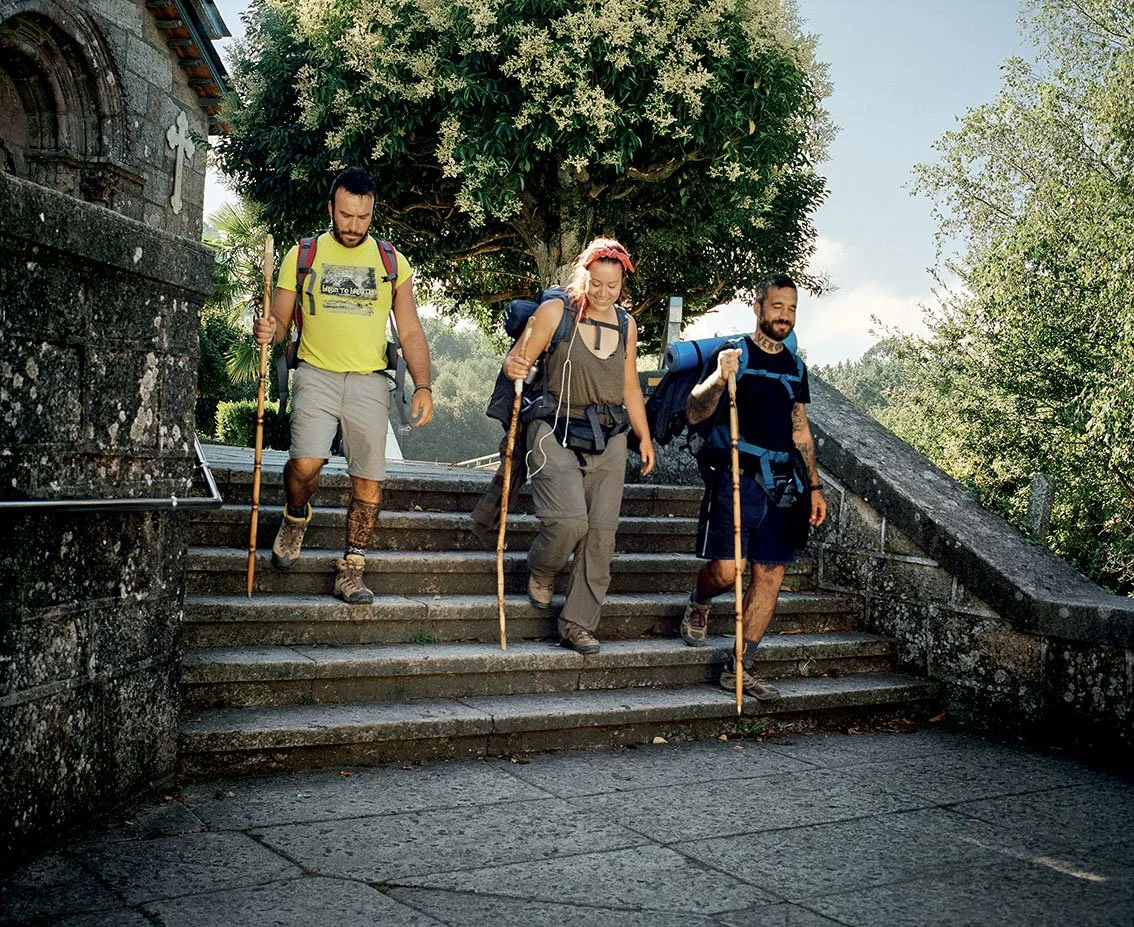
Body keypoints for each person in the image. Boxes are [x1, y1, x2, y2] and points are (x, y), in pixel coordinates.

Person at [252, 167, 433, 604]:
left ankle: (352, 568)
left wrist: (423, 384)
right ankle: (296, 517)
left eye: (363, 217)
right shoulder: (304, 254)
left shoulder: (392, 262)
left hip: (371, 381)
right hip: (316, 373)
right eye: (346, 215)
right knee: (305, 466)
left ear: (373, 213)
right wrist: (268, 330)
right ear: (330, 208)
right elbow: (278, 325)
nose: (353, 226)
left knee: (368, 481)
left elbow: (409, 330)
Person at [501, 238, 655, 654]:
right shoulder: (556, 312)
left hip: (610, 437)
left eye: (613, 285)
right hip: (554, 428)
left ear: (623, 283)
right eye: (596, 283)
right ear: (582, 276)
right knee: (570, 523)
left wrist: (644, 437)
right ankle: (542, 568)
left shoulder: (626, 325)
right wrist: (514, 364)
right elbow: (518, 362)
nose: (604, 293)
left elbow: (629, 387)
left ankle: (578, 624)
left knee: (601, 538)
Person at [678, 274, 826, 699]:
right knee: (728, 571)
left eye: (792, 308)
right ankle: (700, 600)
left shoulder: (796, 368)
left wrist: (814, 486)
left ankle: (740, 667)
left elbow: (801, 429)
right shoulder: (733, 355)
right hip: (735, 477)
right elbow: (694, 411)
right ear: (758, 307)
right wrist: (719, 379)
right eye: (777, 306)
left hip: (781, 483)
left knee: (770, 574)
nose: (785, 316)